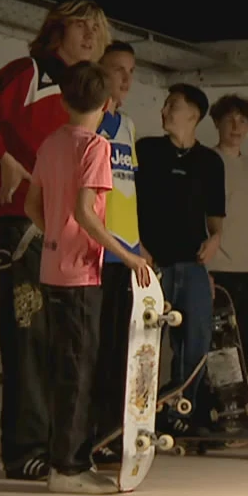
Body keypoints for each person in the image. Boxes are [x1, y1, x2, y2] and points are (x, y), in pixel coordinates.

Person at [0, 0, 111, 481]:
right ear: (56, 29)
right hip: (25, 228)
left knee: (72, 347)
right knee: (28, 340)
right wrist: (0, 155)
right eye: (80, 25)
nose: (89, 35)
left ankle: (68, 451)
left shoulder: (94, 95)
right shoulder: (30, 73)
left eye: (96, 28)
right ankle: (25, 451)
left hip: (75, 239)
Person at [21, 61, 155, 494]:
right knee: (79, 369)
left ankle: (66, 459)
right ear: (106, 104)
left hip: (51, 267)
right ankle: (69, 469)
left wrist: (54, 234)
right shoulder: (95, 147)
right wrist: (127, 255)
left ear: (62, 100)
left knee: (64, 366)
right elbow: (85, 212)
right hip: (81, 274)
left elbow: (31, 207)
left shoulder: (50, 144)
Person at [135, 83, 226, 434]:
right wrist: (135, 246)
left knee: (196, 340)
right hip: (150, 264)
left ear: (193, 115)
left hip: (193, 264)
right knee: (145, 343)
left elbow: (216, 214)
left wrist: (216, 238)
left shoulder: (210, 162)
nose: (164, 111)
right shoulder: (146, 150)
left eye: (172, 105)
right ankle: (142, 416)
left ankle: (180, 415)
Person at [87, 41, 157, 462]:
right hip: (99, 254)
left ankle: (114, 435)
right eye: (118, 69)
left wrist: (139, 243)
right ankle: (91, 435)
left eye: (131, 70)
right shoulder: (90, 122)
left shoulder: (127, 125)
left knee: (123, 353)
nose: (127, 78)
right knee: (96, 352)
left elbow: (126, 190)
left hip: (129, 254)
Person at [205, 93, 248, 374]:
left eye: (242, 121)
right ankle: (208, 413)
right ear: (217, 123)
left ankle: (235, 413)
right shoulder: (206, 161)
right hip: (213, 268)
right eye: (229, 120)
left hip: (243, 270)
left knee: (244, 345)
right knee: (214, 347)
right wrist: (202, 269)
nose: (236, 126)